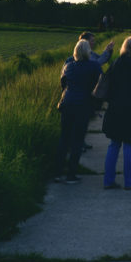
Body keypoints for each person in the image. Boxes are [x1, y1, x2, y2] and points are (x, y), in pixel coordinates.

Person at [102, 36, 131, 190]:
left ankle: (108, 180)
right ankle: (129, 181)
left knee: (114, 145)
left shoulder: (116, 63)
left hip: (115, 109)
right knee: (129, 145)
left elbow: (107, 86)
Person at [55, 38, 101, 183]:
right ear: (88, 52)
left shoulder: (68, 66)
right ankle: (71, 174)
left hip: (67, 103)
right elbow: (100, 84)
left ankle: (57, 172)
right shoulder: (94, 66)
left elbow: (63, 84)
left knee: (64, 138)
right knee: (77, 140)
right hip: (83, 105)